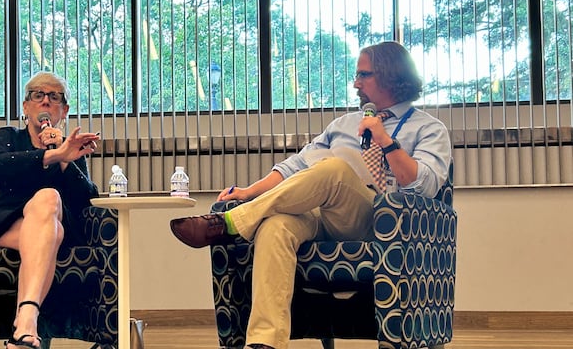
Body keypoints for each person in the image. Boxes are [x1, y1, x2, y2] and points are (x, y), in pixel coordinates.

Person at [169, 41, 452, 349]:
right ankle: (265, 342)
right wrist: (249, 192)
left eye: (363, 75)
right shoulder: (343, 124)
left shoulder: (428, 128)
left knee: (333, 169)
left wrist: (384, 139)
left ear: (391, 76)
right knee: (275, 226)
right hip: (320, 217)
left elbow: (425, 184)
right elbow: (295, 166)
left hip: (380, 223)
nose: (355, 83)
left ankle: (229, 224)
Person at [0, 72, 100, 349]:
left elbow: (87, 201)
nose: (46, 102)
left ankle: (24, 329)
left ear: (64, 111)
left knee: (48, 207)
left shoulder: (69, 148)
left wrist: (65, 160)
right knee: (50, 221)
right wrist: (53, 156)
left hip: (43, 229)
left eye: (54, 97)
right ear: (26, 107)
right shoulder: (8, 136)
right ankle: (26, 321)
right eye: (38, 95)